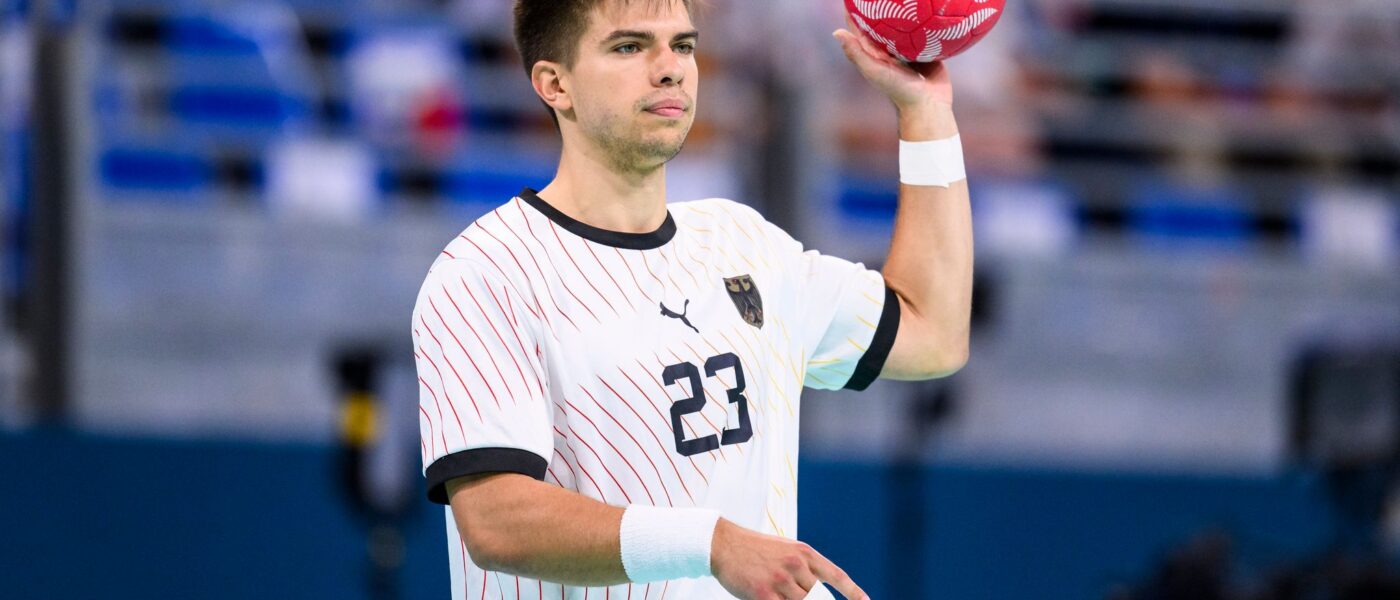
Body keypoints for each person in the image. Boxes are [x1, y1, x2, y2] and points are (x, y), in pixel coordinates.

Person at [410, 0, 973, 598]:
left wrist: (926, 115)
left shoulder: (745, 242)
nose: (670, 68)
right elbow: (498, 521)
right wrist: (711, 543)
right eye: (629, 47)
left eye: (682, 45)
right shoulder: (487, 273)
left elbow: (931, 334)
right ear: (555, 84)